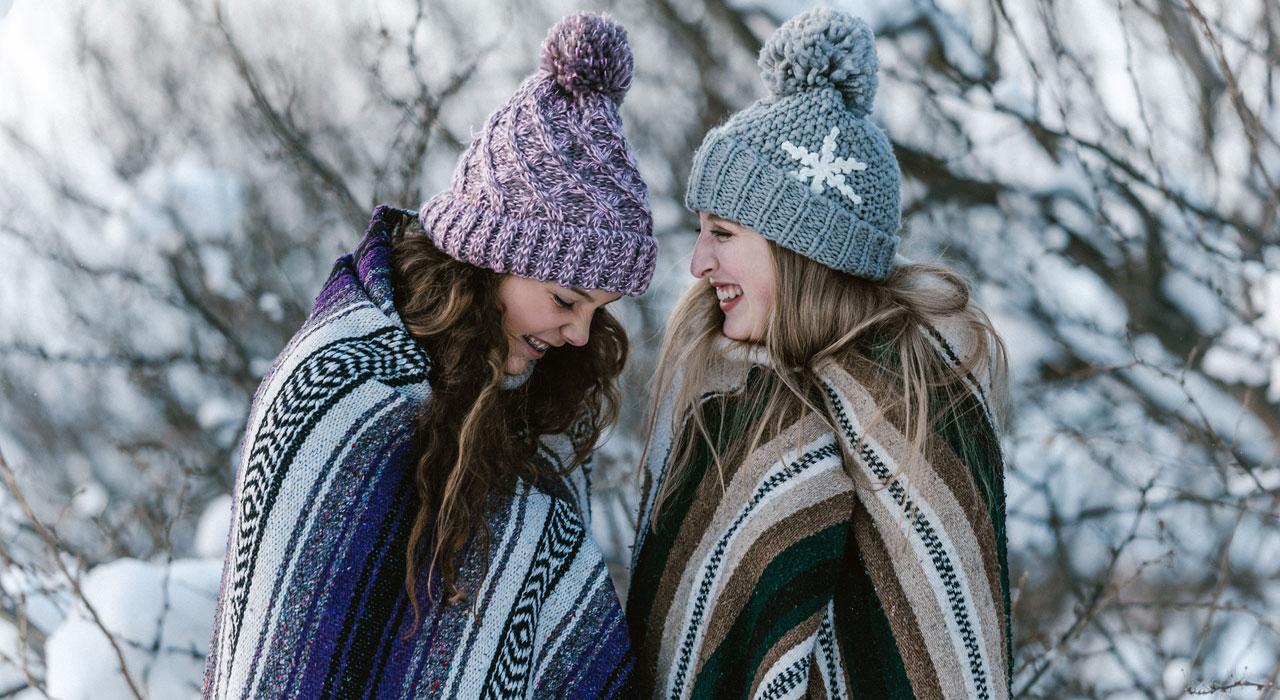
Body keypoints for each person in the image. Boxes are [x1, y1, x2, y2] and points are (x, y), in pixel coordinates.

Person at [203, 13, 654, 699]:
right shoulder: (340, 393)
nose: (582, 336)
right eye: (566, 300)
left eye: (599, 308)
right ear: (490, 260)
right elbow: (286, 659)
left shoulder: (533, 405)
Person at [627, 9, 1011, 700]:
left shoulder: (928, 409)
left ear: (799, 246)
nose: (697, 262)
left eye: (722, 231)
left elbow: (952, 654)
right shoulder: (728, 401)